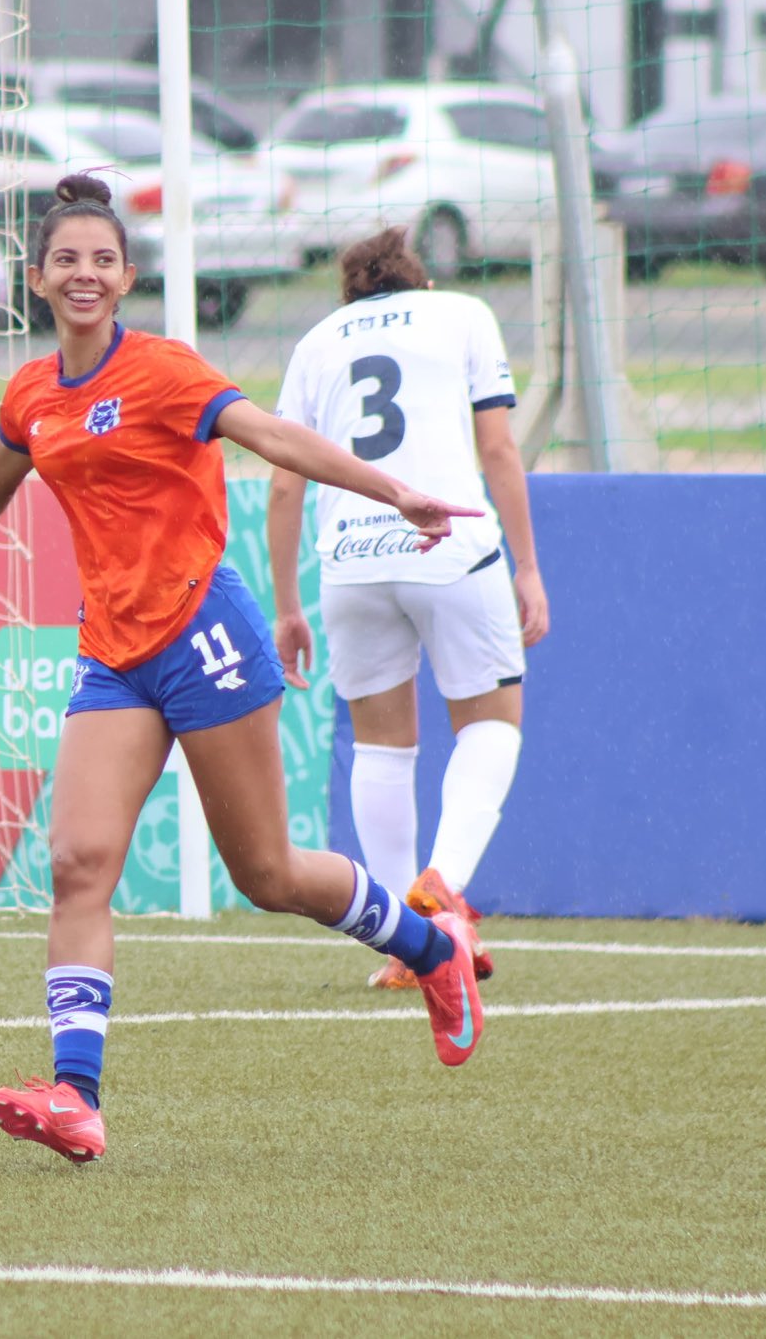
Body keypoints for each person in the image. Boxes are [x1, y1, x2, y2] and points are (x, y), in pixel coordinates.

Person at [0, 176, 489, 1166]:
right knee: (76, 864)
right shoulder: (30, 392)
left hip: (202, 635)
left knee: (268, 874)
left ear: (125, 279)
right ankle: (76, 1096)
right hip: (112, 655)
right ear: (36, 279)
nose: (85, 273)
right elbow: (9, 463)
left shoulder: (163, 371)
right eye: (67, 260)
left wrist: (391, 490)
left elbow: (272, 435)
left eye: (103, 260)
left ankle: (432, 950)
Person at [266, 226, 550, 992]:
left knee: (382, 748)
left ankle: (404, 940)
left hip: (351, 562)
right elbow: (499, 449)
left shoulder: (317, 343)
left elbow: (286, 483)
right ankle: (443, 881)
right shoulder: (461, 313)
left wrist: (288, 605)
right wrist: (527, 565)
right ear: (419, 281)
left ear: (350, 294)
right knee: (491, 723)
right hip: (447, 545)